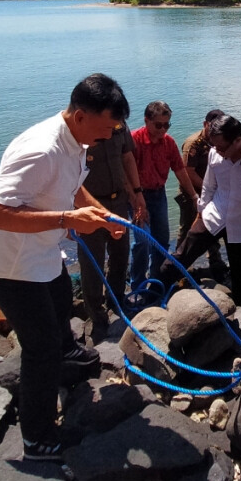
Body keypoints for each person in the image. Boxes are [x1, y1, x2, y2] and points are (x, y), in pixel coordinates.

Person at [0, 73, 129, 461]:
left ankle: (68, 354)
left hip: (39, 252)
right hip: (7, 262)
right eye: (106, 128)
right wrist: (68, 221)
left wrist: (103, 215)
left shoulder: (76, 141)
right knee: (39, 348)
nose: (109, 137)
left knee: (58, 295)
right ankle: (37, 438)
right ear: (79, 115)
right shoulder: (41, 149)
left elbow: (73, 188)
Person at [159, 114, 241, 307]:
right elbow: (209, 186)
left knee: (240, 272)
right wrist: (200, 212)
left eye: (221, 147)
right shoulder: (215, 154)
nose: (217, 151)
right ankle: (155, 292)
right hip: (213, 216)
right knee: (182, 254)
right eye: (213, 145)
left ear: (237, 140)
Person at [78, 120, 146, 338]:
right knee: (92, 264)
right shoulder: (83, 128)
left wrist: (137, 193)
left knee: (120, 256)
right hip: (89, 206)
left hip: (118, 202)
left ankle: (115, 302)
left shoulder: (120, 126)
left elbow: (127, 158)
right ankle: (96, 316)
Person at [129, 101, 197, 291]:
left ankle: (156, 283)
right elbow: (126, 173)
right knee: (142, 241)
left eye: (166, 125)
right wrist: (136, 200)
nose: (162, 129)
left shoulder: (168, 142)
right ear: (146, 120)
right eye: (158, 125)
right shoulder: (134, 140)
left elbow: (180, 171)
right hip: (137, 196)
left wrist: (193, 196)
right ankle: (137, 285)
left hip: (158, 195)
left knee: (162, 240)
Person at [174, 109, 229, 280]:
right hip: (191, 194)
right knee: (189, 230)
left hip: (212, 193)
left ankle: (215, 260)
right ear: (205, 124)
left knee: (213, 226)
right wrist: (208, 189)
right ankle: (178, 266)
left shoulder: (218, 140)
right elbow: (188, 172)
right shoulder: (193, 144)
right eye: (212, 127)